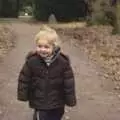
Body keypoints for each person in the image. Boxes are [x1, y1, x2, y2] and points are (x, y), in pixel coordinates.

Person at [17, 25, 76, 120]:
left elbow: (69, 82)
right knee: (41, 117)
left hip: (58, 101)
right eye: (39, 46)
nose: (42, 49)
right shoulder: (32, 61)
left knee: (56, 117)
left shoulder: (63, 62)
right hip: (40, 101)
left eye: (46, 47)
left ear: (54, 46)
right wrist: (23, 95)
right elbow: (24, 78)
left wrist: (70, 100)